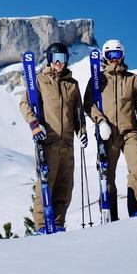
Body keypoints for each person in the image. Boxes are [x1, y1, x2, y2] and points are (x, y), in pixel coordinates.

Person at [19, 42, 86, 232]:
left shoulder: (72, 85)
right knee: (46, 183)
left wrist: (82, 132)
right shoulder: (39, 80)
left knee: (65, 186)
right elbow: (24, 105)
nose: (59, 63)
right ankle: (41, 225)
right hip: (47, 141)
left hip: (67, 143)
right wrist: (34, 124)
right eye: (55, 59)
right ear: (49, 60)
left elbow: (78, 113)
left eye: (62, 59)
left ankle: (58, 224)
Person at [83, 39, 137, 219]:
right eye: (110, 55)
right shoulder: (98, 79)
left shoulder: (132, 79)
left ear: (123, 55)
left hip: (130, 132)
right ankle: (110, 214)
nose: (114, 59)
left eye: (117, 55)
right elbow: (88, 104)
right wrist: (101, 121)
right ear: (105, 57)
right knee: (107, 174)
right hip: (108, 133)